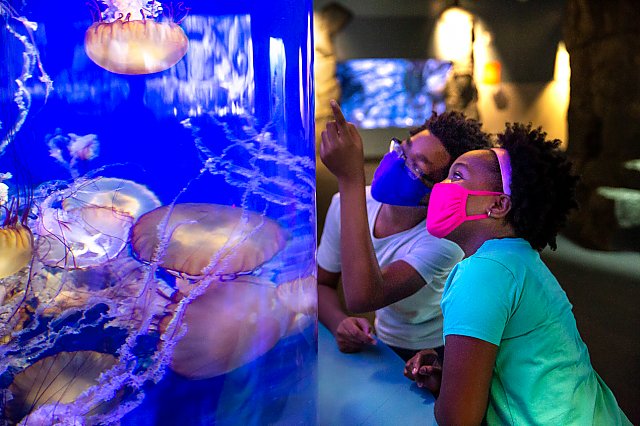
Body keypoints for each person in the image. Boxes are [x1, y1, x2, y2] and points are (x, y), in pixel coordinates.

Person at [403, 123, 632, 425]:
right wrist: (453, 377)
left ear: (498, 204)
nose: (440, 186)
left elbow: (457, 420)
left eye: (457, 176)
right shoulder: (518, 258)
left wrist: (450, 398)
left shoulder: (482, 273)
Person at [317, 100, 491, 361]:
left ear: (438, 192)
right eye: (402, 150)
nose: (396, 163)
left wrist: (350, 177)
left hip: (438, 350)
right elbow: (321, 283)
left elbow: (364, 297)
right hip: (382, 340)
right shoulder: (347, 204)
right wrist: (338, 321)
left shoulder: (444, 239)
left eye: (416, 167)